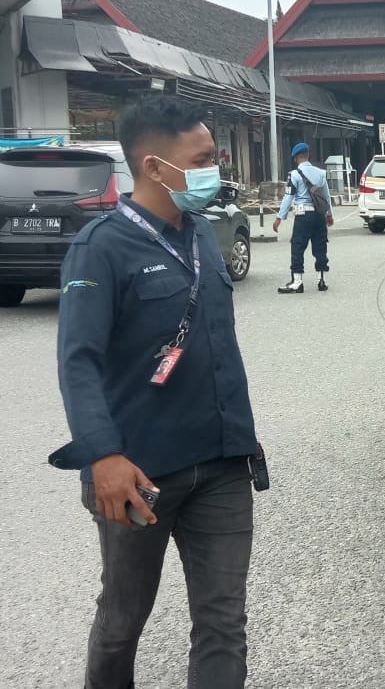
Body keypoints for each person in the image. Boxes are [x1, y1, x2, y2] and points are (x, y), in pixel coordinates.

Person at [48, 95, 262, 688]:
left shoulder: (202, 234)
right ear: (154, 168)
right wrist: (103, 455)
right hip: (137, 473)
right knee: (123, 619)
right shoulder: (101, 249)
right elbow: (78, 362)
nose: (213, 169)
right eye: (202, 159)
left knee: (223, 620)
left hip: (220, 465)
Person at [273, 142, 334, 293]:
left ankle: (297, 282)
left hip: (303, 215)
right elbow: (326, 196)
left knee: (298, 246)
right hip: (319, 215)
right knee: (320, 245)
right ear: (308, 156)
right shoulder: (321, 173)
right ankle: (321, 280)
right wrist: (329, 214)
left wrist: (280, 217)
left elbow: (288, 197)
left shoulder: (294, 175)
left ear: (295, 158)